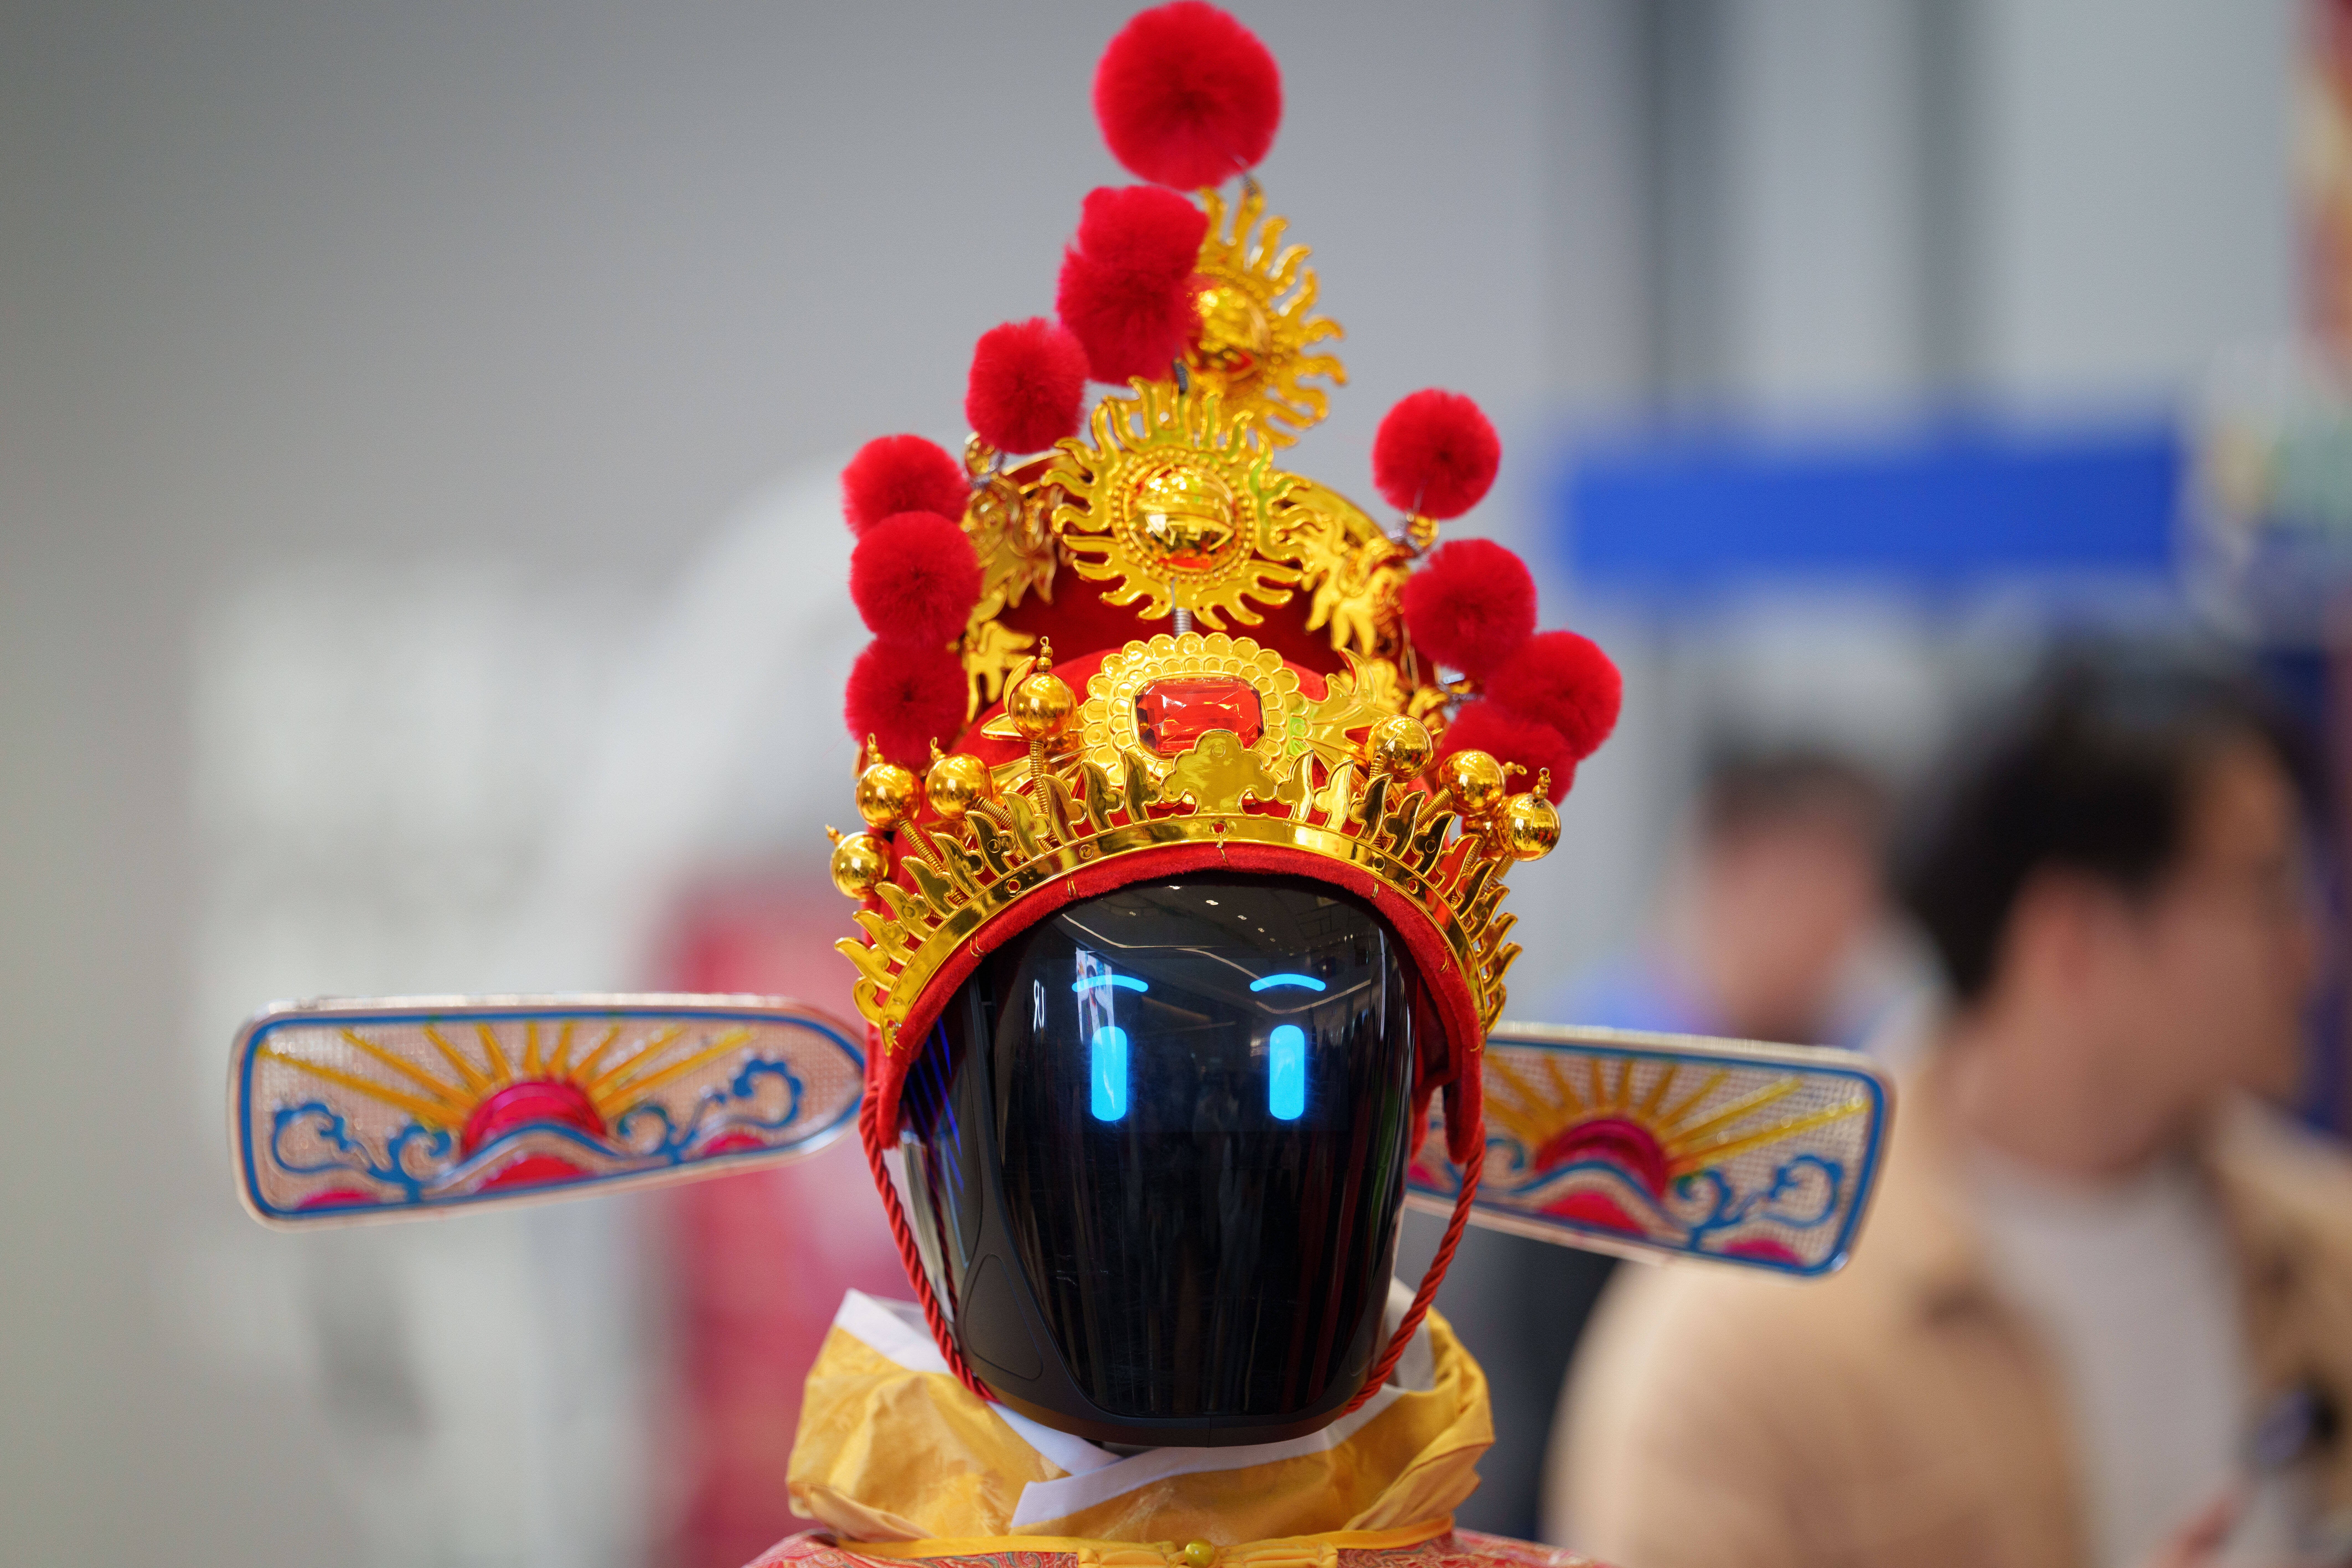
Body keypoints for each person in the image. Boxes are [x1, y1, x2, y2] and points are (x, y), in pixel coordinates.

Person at [1545, 649, 2352, 1568]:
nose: (2310, 949)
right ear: (2072, 937)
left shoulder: (2325, 1255)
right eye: (2265, 888)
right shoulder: (1741, 1343)